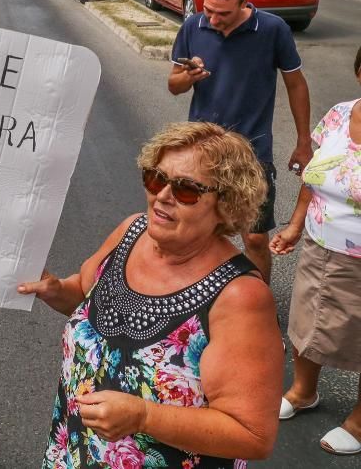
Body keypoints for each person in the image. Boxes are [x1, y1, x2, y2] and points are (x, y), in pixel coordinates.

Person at [21, 121, 283, 467]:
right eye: (156, 178)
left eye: (187, 189)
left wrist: (144, 416)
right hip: (73, 454)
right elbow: (84, 295)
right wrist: (57, 291)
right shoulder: (132, 231)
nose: (162, 195)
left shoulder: (240, 297)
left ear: (226, 205)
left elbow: (252, 434)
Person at [168, 0, 311, 283]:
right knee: (195, 230)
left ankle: (258, 303)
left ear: (245, 2)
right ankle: (197, 300)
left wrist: (303, 142)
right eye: (209, 10)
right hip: (202, 151)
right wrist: (186, 77)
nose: (214, 20)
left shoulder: (273, 30)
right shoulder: (193, 27)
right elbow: (173, 85)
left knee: (255, 238)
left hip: (253, 152)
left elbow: (296, 85)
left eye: (224, 13)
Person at [270, 45, 361, 456]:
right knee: (306, 322)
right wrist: (293, 225)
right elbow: (314, 175)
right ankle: (304, 391)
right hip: (319, 244)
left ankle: (360, 421)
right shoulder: (341, 114)